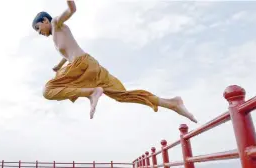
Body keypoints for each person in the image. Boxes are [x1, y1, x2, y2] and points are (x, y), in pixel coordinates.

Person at [31, 0, 197, 123]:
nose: (39, 32)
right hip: (91, 67)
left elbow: (72, 8)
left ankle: (92, 92)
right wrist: (59, 65)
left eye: (38, 28)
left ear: (45, 21)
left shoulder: (55, 23)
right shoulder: (57, 36)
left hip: (82, 65)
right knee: (123, 96)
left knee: (48, 90)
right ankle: (173, 103)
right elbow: (68, 52)